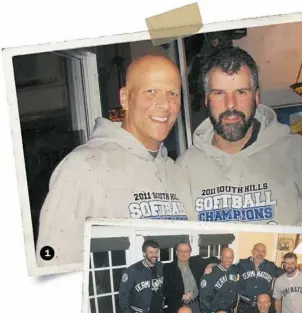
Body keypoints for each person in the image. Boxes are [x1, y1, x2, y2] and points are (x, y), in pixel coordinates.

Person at [36, 54, 195, 267]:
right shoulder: (82, 167)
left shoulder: (177, 173)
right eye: (151, 91)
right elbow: (51, 263)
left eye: (172, 93)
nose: (164, 104)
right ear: (124, 98)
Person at [175, 46, 302, 228]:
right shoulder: (184, 167)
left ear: (256, 97)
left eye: (241, 92)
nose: (230, 105)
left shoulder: (301, 154)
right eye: (219, 93)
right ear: (207, 99)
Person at [235, 243, 284, 313]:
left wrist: (299, 270)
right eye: (257, 250)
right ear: (252, 251)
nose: (260, 253)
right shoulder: (242, 264)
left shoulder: (270, 266)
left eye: (263, 251)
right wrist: (213, 265)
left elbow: (286, 274)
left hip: (261, 307)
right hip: (244, 306)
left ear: (265, 253)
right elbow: (228, 267)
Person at [163, 241, 215, 313]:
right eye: (181, 251)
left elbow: (215, 259)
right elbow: (165, 290)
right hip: (178, 306)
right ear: (176, 252)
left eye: (186, 251)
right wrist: (181, 296)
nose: (183, 254)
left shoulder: (197, 262)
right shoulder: (168, 268)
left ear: (190, 253)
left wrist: (210, 265)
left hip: (195, 306)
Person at [118, 240, 166, 313]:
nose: (154, 255)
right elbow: (123, 296)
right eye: (151, 252)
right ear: (144, 253)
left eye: (156, 252)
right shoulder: (133, 271)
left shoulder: (161, 267)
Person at [200, 247, 241, 313]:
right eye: (225, 257)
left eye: (231, 257)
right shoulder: (210, 274)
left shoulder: (234, 269)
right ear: (221, 258)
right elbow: (204, 298)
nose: (228, 260)